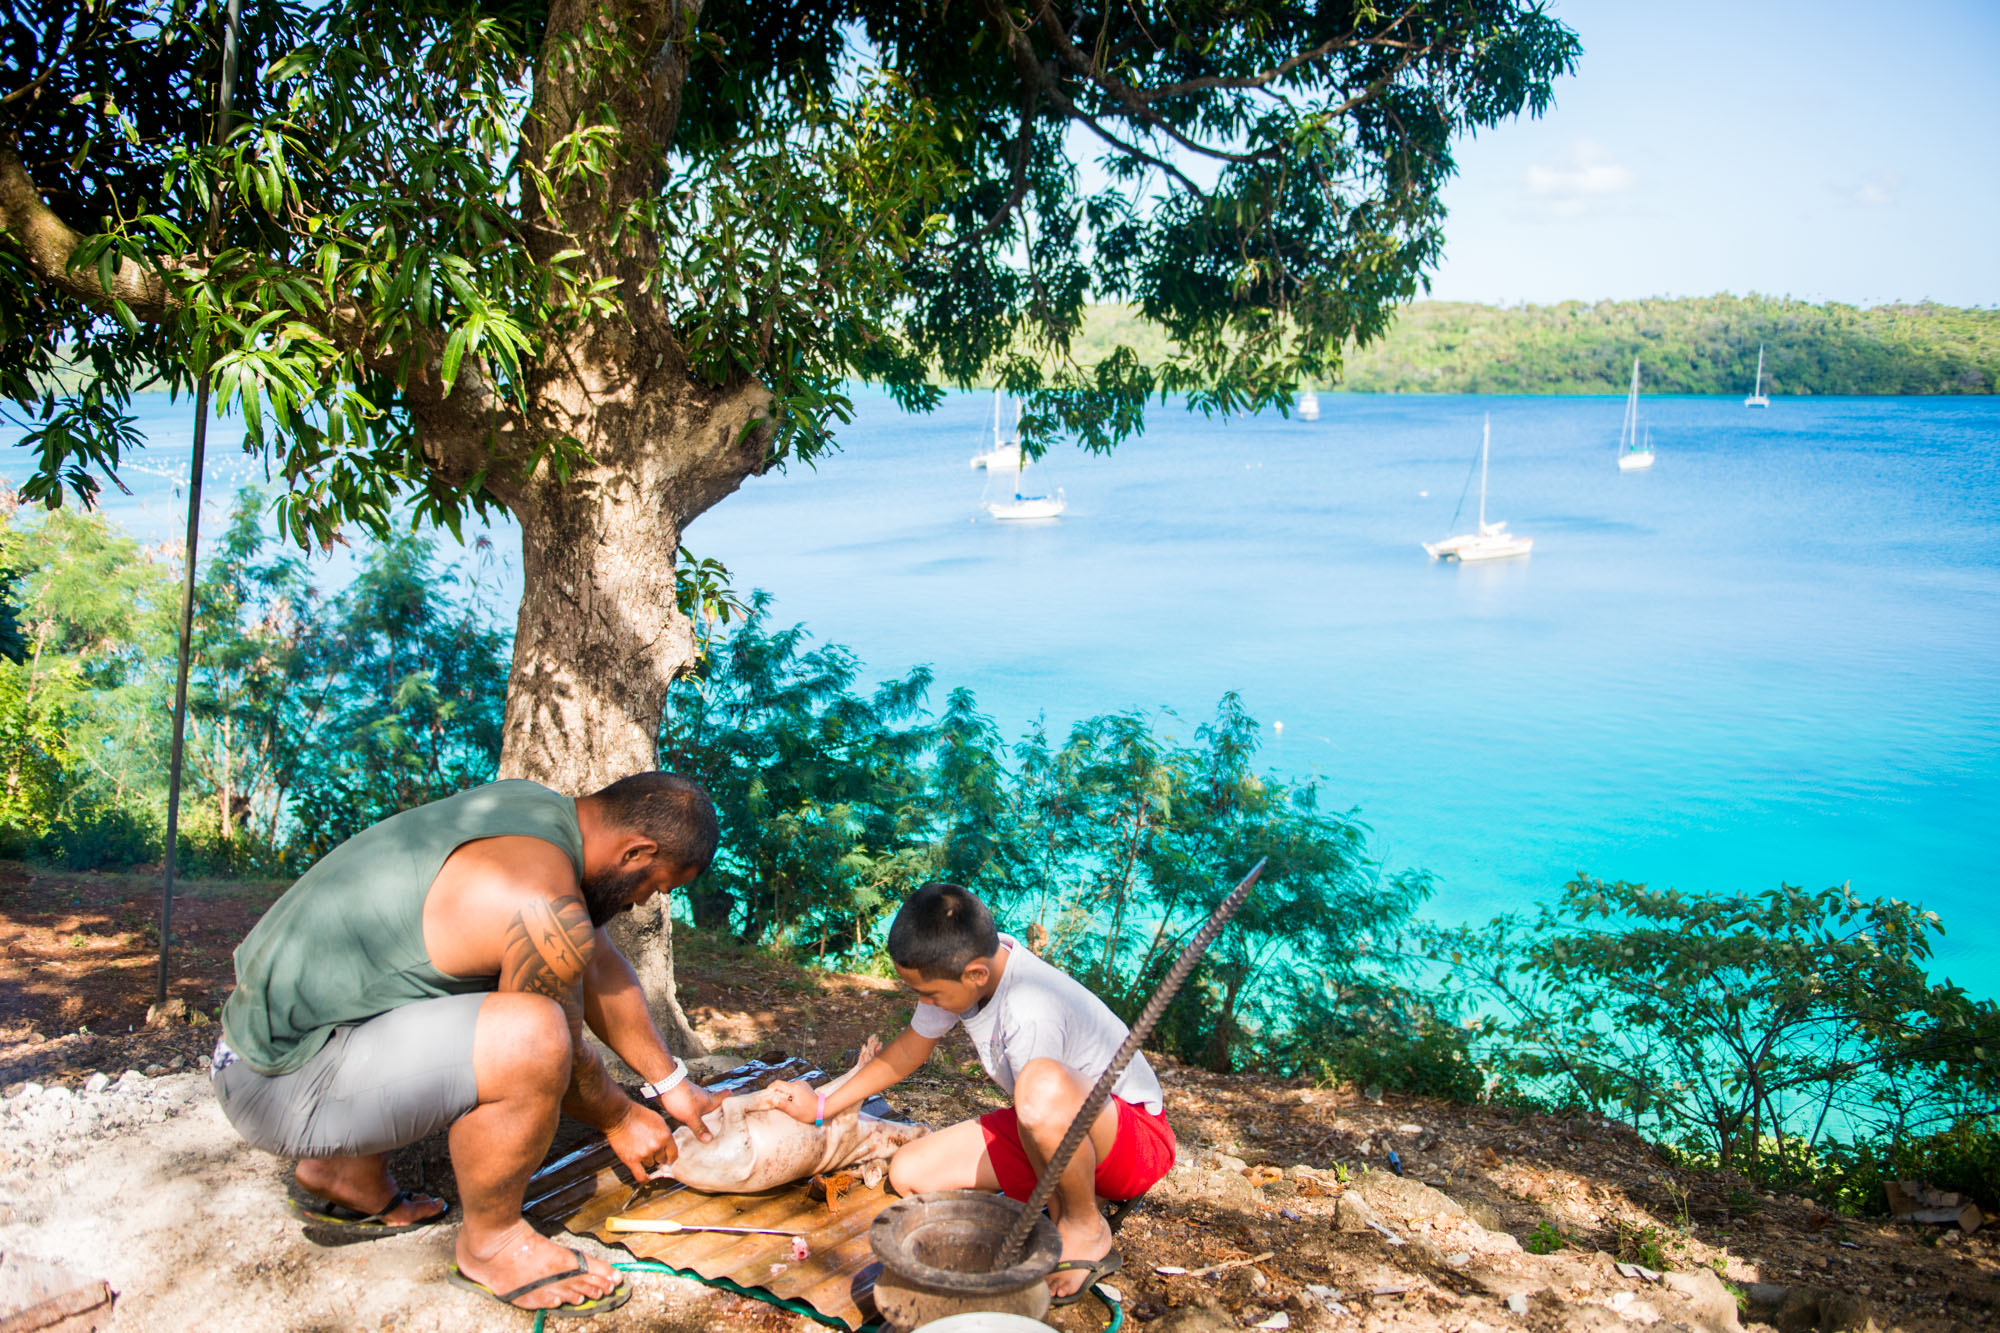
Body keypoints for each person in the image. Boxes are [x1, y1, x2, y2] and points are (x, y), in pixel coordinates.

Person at [212, 772, 723, 1318]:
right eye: (658, 885)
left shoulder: (531, 810)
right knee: (536, 1033)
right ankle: (493, 1245)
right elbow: (565, 1059)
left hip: (266, 1042)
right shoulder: (544, 905)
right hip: (278, 1086)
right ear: (636, 851)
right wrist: (621, 1119)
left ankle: (344, 1176)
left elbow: (599, 964)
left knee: (509, 982)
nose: (645, 901)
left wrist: (672, 1084)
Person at [764, 883, 1175, 1305]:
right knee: (908, 1173)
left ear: (976, 974)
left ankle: (1084, 1225)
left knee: (1039, 1089)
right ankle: (1077, 1192)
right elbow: (910, 1048)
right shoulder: (960, 967)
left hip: (1132, 1143)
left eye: (930, 994)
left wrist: (1050, 1218)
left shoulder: (1029, 1008)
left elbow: (1042, 1106)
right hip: (1048, 1125)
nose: (925, 1002)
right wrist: (821, 1104)